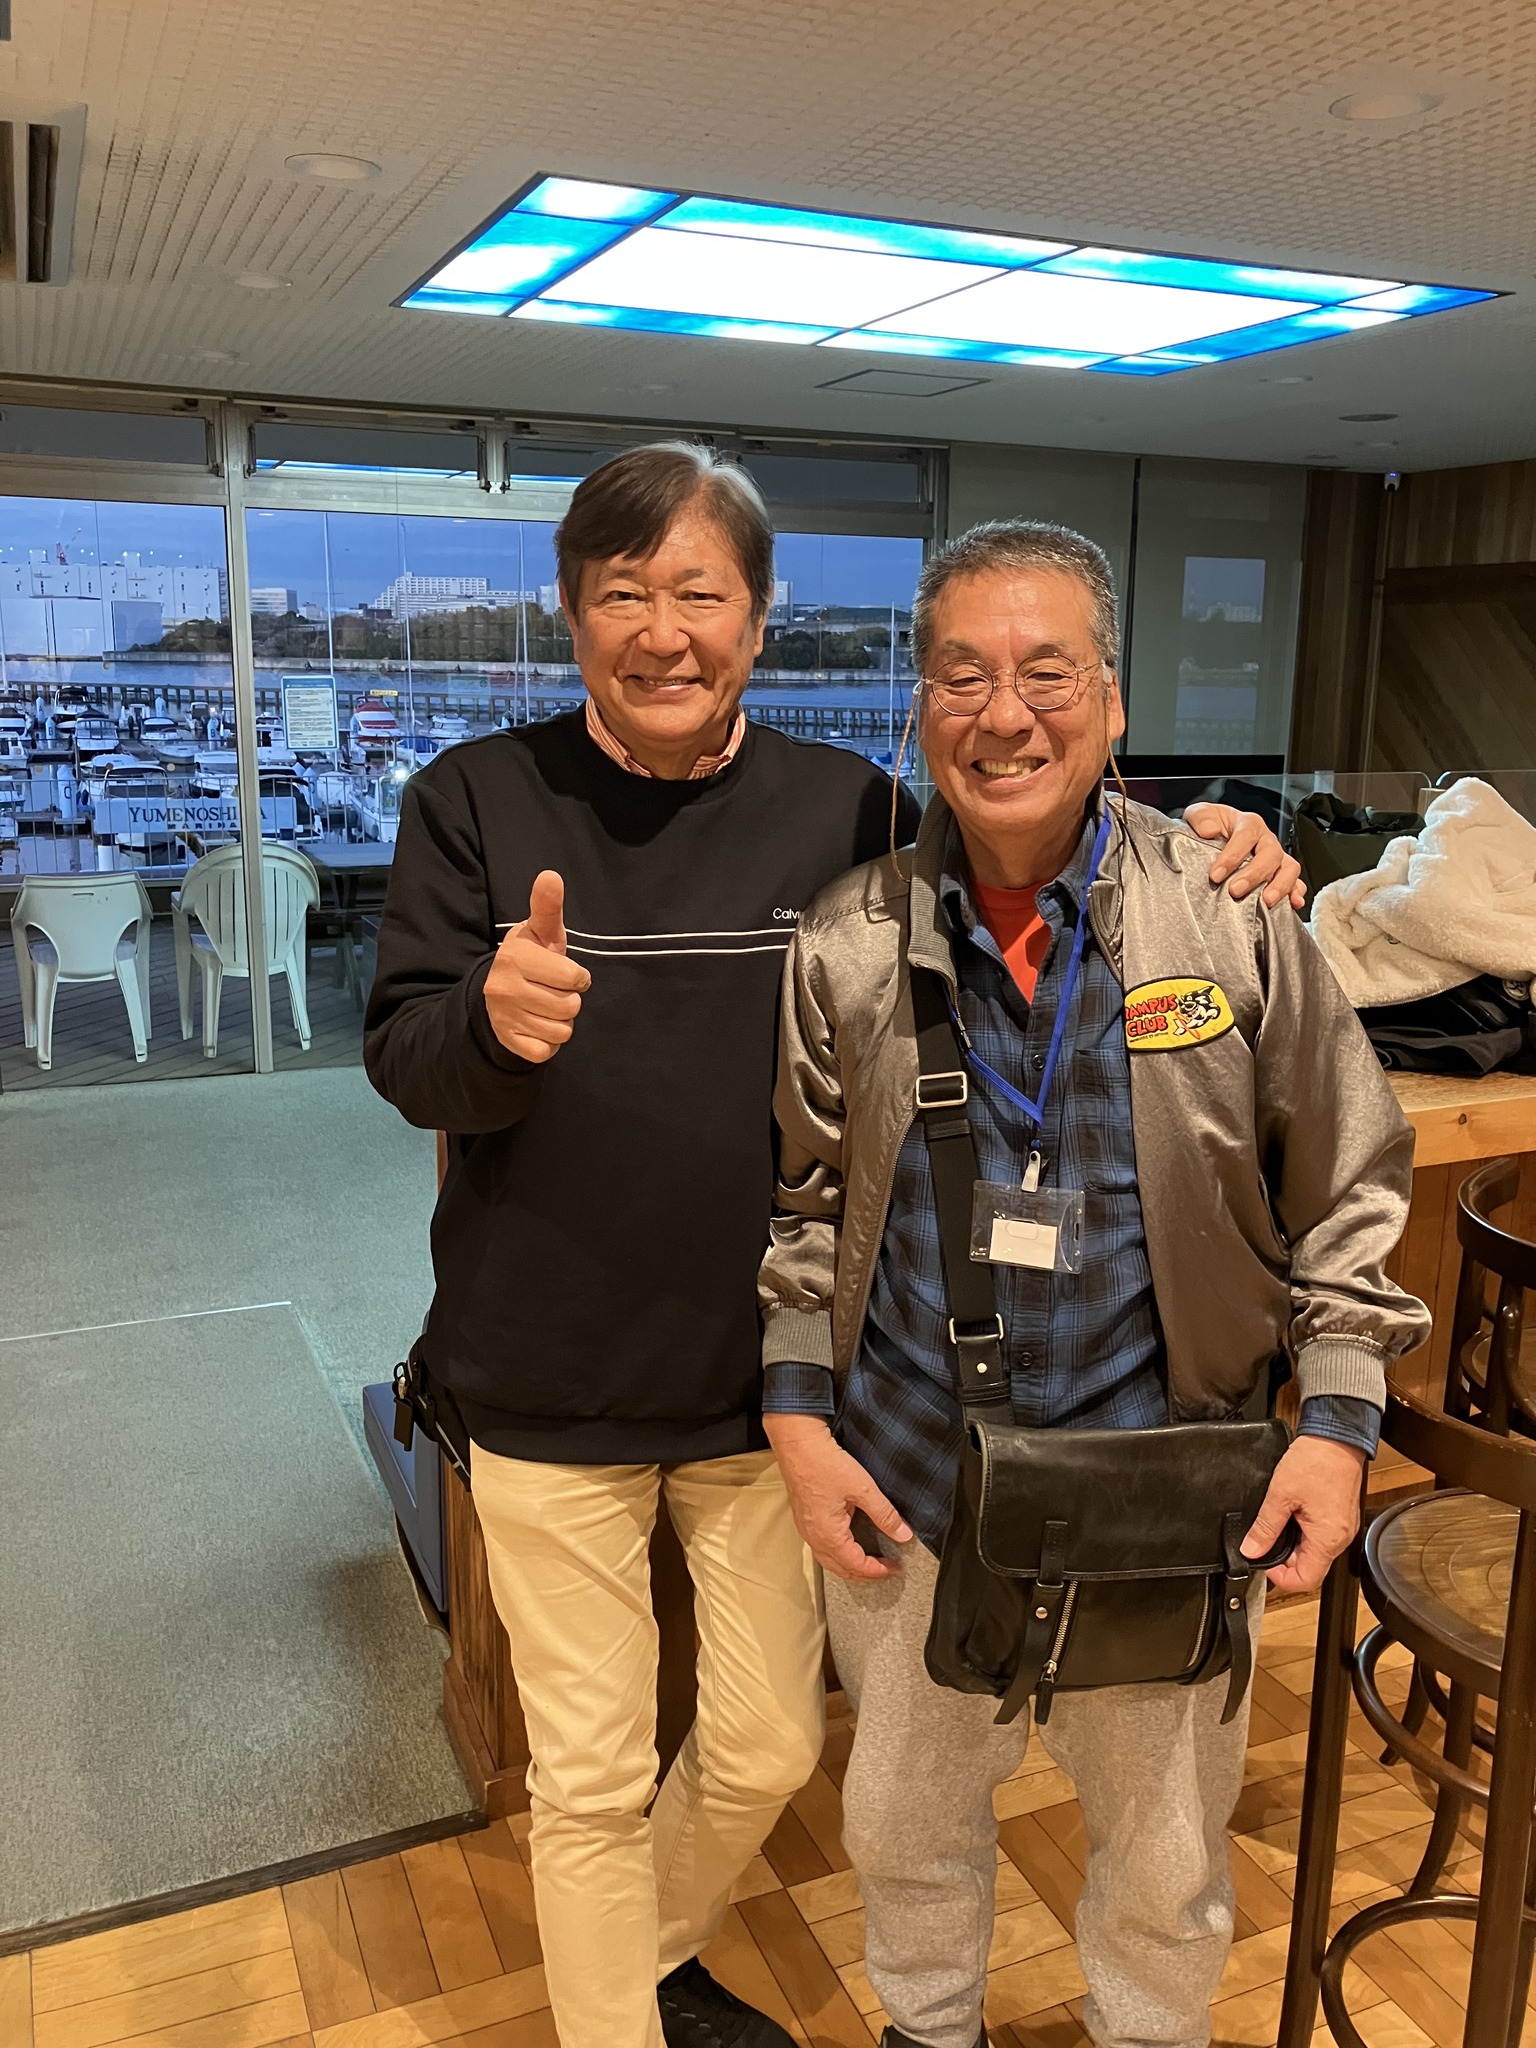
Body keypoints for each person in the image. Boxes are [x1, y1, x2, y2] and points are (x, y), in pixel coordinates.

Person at [365, 453, 1303, 2048]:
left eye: (699, 591)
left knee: (767, 1745)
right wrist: (488, 1026)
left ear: (758, 615)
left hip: (775, 1387)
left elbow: (1019, 860)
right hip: (539, 1372)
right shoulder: (472, 797)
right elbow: (406, 1063)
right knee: (587, 1778)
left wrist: (1218, 846)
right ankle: (617, 2020)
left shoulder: (849, 807)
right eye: (621, 594)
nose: (662, 631)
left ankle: (645, 1954)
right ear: (572, 615)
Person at [758, 519, 1431, 2048]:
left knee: (1168, 1865)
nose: (1004, 714)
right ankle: (927, 2030)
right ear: (921, 707)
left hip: (1168, 1495)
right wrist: (798, 1417)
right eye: (963, 675)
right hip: (911, 1488)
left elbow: (1349, 1179)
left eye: (1046, 673)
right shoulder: (849, 940)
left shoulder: (1234, 913)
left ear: (1112, 702)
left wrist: (1338, 1423)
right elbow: (804, 1208)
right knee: (903, 1833)